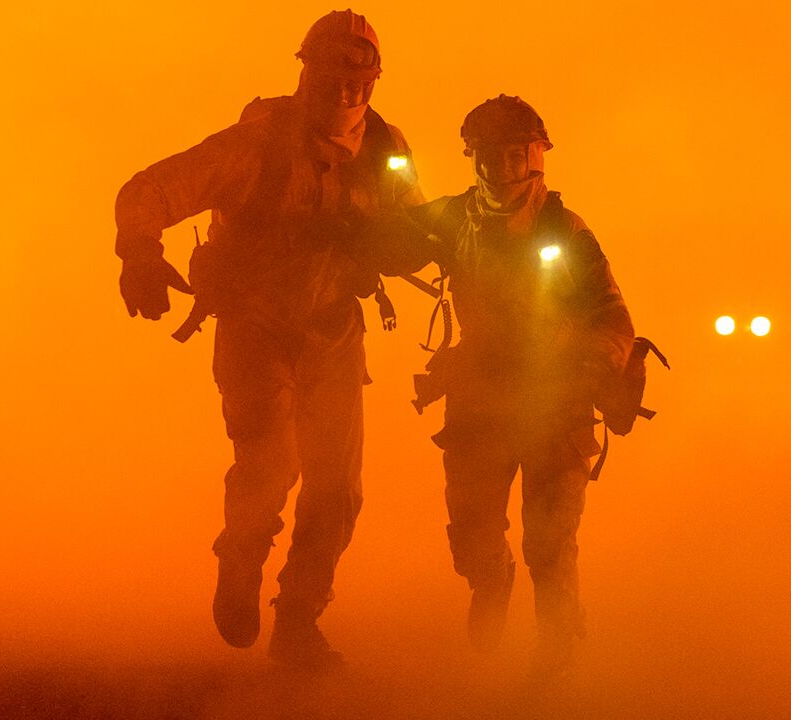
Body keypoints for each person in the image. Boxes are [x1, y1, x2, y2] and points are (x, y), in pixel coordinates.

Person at [113, 9, 424, 668]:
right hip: (254, 327)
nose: (344, 82)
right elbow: (153, 188)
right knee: (271, 464)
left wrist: (410, 247)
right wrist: (139, 252)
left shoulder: (386, 152)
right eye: (330, 65)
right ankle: (241, 558)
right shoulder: (256, 144)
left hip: (333, 329)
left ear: (374, 76)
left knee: (338, 490)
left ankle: (300, 620)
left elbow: (419, 234)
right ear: (304, 69)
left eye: (357, 68)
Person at [406, 95, 635, 675]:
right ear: (474, 160)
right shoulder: (453, 217)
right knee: (474, 535)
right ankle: (492, 585)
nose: (505, 170)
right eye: (492, 157)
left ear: (537, 156)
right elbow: (388, 236)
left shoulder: (568, 231)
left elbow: (613, 315)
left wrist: (595, 364)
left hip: (556, 402)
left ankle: (555, 664)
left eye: (516, 156)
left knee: (550, 543)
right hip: (480, 400)